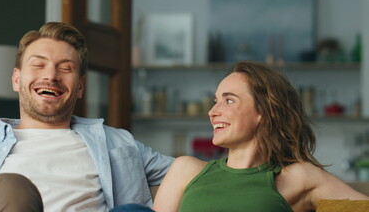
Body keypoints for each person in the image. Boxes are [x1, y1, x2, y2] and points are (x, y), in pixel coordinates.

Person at [0, 22, 173, 212]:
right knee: (12, 188)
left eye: (65, 68)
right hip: (10, 197)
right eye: (38, 65)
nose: (51, 75)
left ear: (80, 87)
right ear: (16, 79)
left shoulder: (119, 144)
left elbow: (197, 175)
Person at [151, 61, 369, 212]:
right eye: (215, 101)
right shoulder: (186, 170)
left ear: (264, 112)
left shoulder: (298, 178)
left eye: (228, 100)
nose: (212, 111)